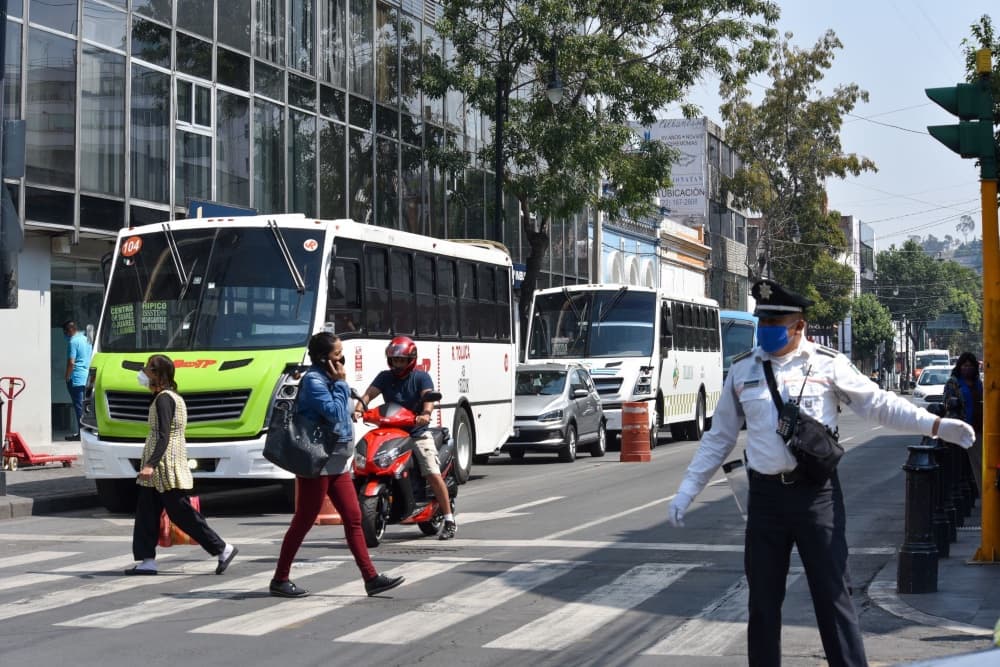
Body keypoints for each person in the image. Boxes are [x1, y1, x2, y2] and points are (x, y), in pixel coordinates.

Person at [666, 279, 975, 667]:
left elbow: (878, 405)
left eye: (777, 321)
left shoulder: (826, 365)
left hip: (817, 498)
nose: (768, 329)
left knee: (833, 596)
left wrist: (935, 425)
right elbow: (719, 437)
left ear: (799, 326)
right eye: (764, 321)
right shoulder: (743, 370)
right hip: (765, 500)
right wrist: (687, 490)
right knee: (762, 601)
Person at [270, 332, 404, 598]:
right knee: (304, 520)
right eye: (337, 355)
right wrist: (341, 384)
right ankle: (280, 579)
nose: (341, 358)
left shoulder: (328, 379)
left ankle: (371, 578)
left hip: (338, 461)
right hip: (318, 461)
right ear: (324, 359)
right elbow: (333, 413)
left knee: (354, 519)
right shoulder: (315, 382)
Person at [127, 354, 238, 576]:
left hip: (165, 465)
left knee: (181, 512)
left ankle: (222, 548)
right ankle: (147, 560)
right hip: (163, 463)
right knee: (146, 512)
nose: (143, 373)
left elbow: (163, 435)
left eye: (148, 369)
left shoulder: (164, 399)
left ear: (158, 374)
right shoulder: (168, 397)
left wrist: (150, 464)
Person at [354, 336, 457, 540]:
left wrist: (425, 414)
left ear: (411, 359)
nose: (397, 364)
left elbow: (428, 398)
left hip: (416, 433)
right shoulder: (384, 377)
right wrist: (359, 408)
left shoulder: (420, 378)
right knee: (362, 461)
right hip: (390, 431)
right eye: (394, 360)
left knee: (430, 471)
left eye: (401, 360)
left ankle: (449, 519)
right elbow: (368, 395)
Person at [943, 351, 984, 494]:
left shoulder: (978, 383)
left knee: (981, 464)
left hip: (980, 428)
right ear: (959, 366)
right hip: (964, 429)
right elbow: (948, 403)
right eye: (964, 365)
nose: (967, 368)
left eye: (970, 366)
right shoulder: (953, 383)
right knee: (974, 466)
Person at [63, 320, 92, 440]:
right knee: (85, 407)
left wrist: (67, 376)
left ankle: (82, 434)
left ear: (70, 330)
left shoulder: (73, 341)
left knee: (79, 407)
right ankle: (85, 432)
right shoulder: (87, 339)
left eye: (65, 332)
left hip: (76, 378)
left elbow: (71, 362)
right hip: (86, 377)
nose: (65, 335)